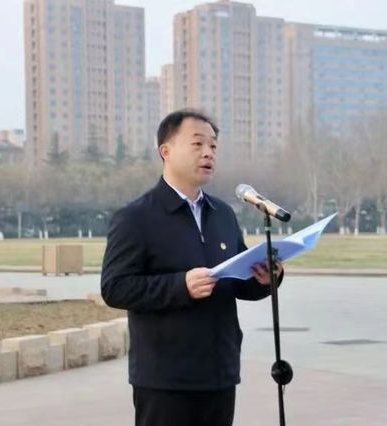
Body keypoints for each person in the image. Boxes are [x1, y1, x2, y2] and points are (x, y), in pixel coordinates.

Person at [101, 109, 283, 426]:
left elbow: (239, 282)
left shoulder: (222, 214)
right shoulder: (136, 218)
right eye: (197, 144)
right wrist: (180, 286)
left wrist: (266, 279)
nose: (208, 153)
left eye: (213, 146)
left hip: (219, 372)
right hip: (165, 379)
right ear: (166, 151)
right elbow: (115, 287)